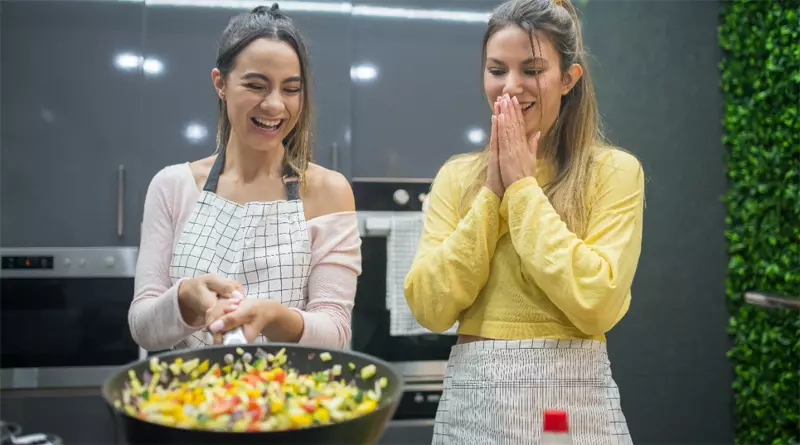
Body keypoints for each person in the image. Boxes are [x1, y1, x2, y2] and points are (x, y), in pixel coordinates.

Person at [404, 0, 644, 443]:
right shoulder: (457, 177)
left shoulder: (614, 171)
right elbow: (429, 306)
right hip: (472, 405)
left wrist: (520, 189)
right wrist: (492, 194)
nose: (511, 87)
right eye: (497, 70)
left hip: (576, 407)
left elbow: (598, 301)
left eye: (532, 70)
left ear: (569, 78)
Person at [129, 4, 361, 351]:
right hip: (191, 400)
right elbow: (143, 328)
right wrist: (185, 298)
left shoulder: (329, 191)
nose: (275, 105)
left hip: (292, 399)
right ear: (220, 83)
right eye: (256, 85)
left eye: (291, 89)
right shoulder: (172, 186)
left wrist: (275, 317)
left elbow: (337, 333)